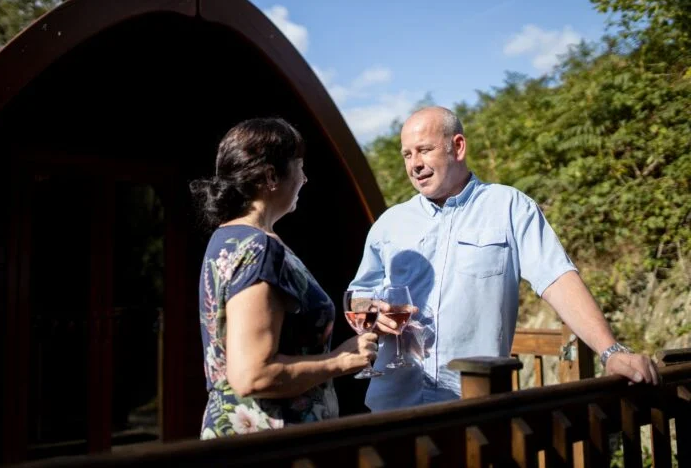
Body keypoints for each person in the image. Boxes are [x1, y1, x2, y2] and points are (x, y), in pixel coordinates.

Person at [348, 106, 659, 412]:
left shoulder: (510, 207)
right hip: (393, 408)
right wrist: (372, 309)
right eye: (407, 154)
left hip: (474, 403)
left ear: (457, 147)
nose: (414, 164)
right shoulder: (389, 224)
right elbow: (358, 297)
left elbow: (558, 278)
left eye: (424, 150)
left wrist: (611, 352)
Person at [190, 117, 379, 438]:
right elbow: (253, 375)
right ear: (270, 176)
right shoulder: (260, 248)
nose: (305, 179)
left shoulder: (225, 239)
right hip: (272, 441)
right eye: (300, 167)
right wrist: (340, 360)